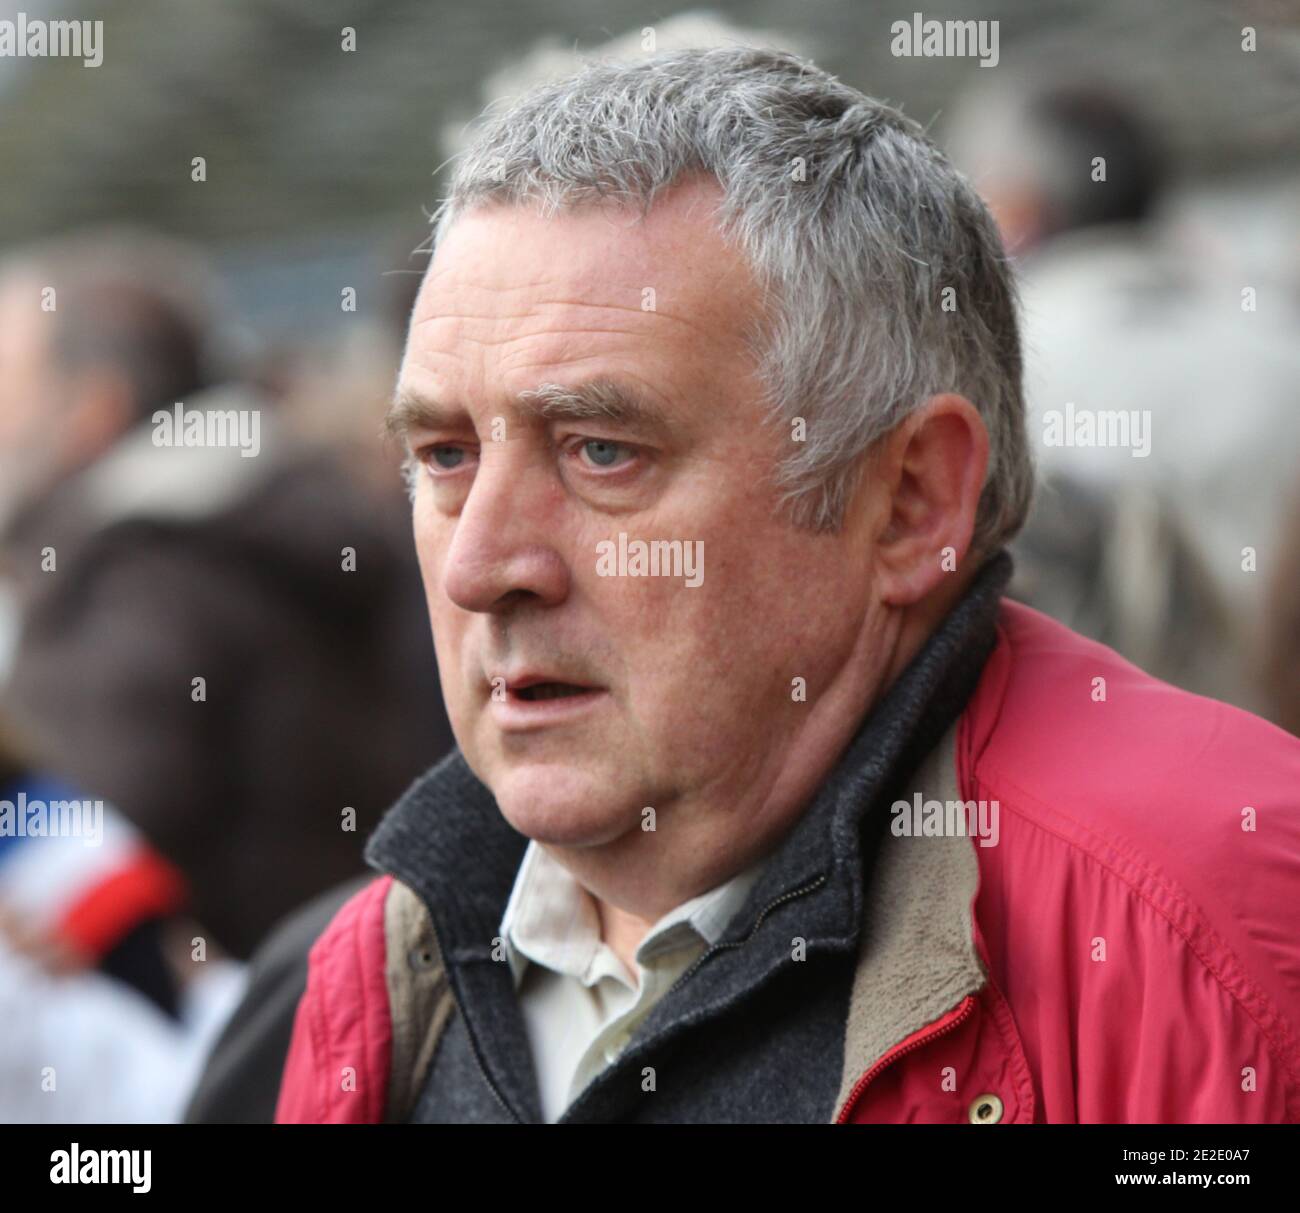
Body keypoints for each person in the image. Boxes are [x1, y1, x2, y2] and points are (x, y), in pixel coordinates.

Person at [234, 46, 1295, 1124]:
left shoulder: (1216, 934)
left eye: (601, 450)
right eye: (445, 456)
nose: (478, 567)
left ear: (910, 501)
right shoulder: (375, 969)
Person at [0, 230, 456, 960]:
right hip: (332, 997)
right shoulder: (261, 510)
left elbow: (73, 853)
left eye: (6, 385)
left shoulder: (142, 569)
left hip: (227, 1040)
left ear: (93, 408)